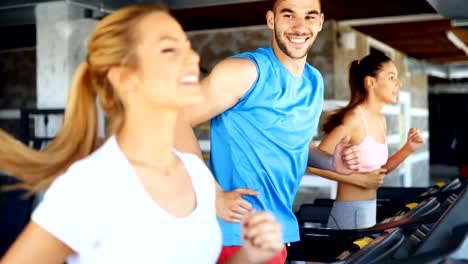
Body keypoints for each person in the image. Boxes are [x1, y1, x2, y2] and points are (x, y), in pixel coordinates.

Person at [0, 4, 284, 264]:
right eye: (169, 50)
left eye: (187, 47)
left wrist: (249, 255)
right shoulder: (92, 183)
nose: (192, 57)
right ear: (124, 78)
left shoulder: (196, 175)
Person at [176, 0, 360, 262]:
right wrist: (212, 193)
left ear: (319, 22)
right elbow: (175, 121)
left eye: (309, 17)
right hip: (234, 233)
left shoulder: (313, 81)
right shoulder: (245, 71)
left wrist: (330, 162)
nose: (299, 26)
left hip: (276, 231)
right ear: (271, 20)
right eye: (289, 15)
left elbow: (299, 145)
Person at [308, 53, 425, 230]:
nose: (398, 83)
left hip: (368, 209)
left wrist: (409, 148)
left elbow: (379, 172)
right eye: (391, 77)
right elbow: (313, 165)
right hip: (349, 213)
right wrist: (360, 180)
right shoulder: (354, 118)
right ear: (370, 82)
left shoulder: (380, 119)